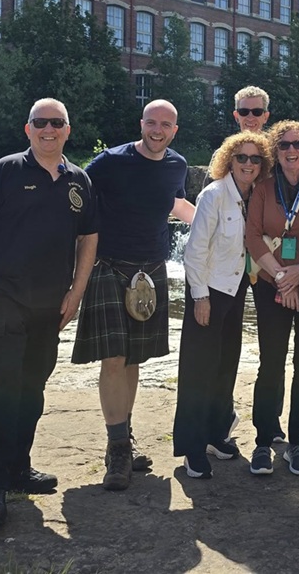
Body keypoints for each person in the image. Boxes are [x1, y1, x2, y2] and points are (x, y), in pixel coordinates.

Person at [0, 98, 98, 528]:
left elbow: (89, 237)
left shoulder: (78, 180)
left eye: (57, 123)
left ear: (68, 130)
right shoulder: (5, 171)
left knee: (32, 390)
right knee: (2, 390)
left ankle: (19, 469)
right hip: (4, 301)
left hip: (50, 308)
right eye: (41, 123)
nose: (49, 129)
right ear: (28, 129)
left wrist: (76, 291)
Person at [71, 99, 196, 491]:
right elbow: (75, 198)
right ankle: (118, 449)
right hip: (108, 266)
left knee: (134, 360)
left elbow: (175, 206)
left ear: (175, 130)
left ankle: (122, 436)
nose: (157, 130)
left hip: (152, 269)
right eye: (151, 123)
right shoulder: (110, 161)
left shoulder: (176, 165)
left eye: (166, 125)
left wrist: (226, 228)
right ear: (141, 124)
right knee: (114, 358)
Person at [173, 132, 271, 478]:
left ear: (263, 165)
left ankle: (216, 435)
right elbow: (195, 250)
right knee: (198, 370)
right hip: (209, 292)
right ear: (229, 160)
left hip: (235, 290)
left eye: (255, 159)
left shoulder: (255, 196)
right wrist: (199, 297)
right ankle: (192, 446)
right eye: (242, 157)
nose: (248, 164)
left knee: (225, 365)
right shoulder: (214, 194)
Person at [245, 120, 299, 477]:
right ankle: (263, 441)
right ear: (275, 152)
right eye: (284, 146)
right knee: (271, 363)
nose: (291, 151)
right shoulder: (263, 188)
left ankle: (297, 442)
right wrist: (280, 277)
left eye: (298, 144)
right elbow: (253, 237)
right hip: (270, 284)